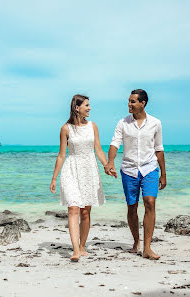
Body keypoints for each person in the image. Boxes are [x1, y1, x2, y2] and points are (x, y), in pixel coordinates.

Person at [104, 89, 166, 260]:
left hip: (149, 168)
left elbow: (159, 149)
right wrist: (110, 162)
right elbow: (115, 144)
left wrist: (163, 173)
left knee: (150, 202)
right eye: (129, 101)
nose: (129, 104)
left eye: (133, 101)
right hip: (129, 169)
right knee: (132, 206)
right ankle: (136, 241)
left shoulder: (155, 123)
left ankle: (147, 247)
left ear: (142, 103)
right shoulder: (123, 123)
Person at [50, 94, 108, 262]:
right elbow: (61, 155)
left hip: (89, 169)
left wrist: (106, 165)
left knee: (85, 211)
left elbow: (98, 149)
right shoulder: (66, 128)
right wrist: (54, 178)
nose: (90, 108)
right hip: (71, 169)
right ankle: (75, 250)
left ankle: (82, 246)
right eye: (87, 105)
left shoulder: (93, 126)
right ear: (77, 108)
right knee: (73, 208)